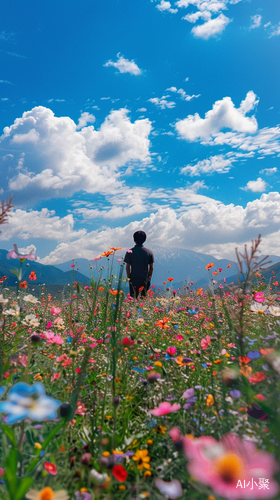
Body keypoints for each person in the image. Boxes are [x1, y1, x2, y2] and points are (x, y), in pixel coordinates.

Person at [124, 230, 154, 298]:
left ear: (134, 240)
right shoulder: (149, 252)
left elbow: (127, 267)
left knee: (134, 298)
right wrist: (149, 279)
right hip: (144, 280)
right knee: (142, 299)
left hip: (134, 279)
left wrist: (129, 278)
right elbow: (151, 267)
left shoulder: (130, 252)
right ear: (145, 239)